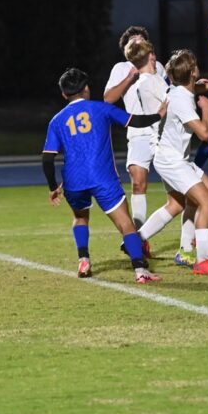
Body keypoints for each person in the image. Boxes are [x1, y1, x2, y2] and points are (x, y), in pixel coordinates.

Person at [42, 68, 166, 283]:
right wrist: (158, 115)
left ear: (64, 95)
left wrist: (54, 187)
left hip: (73, 181)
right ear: (86, 89)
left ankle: (84, 260)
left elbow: (47, 159)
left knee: (80, 217)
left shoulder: (57, 120)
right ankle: (139, 271)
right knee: (126, 224)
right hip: (103, 178)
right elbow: (135, 121)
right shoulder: (101, 109)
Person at [152, 49, 208, 275]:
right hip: (171, 161)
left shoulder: (180, 90)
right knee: (206, 203)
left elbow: (197, 88)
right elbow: (205, 135)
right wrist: (206, 108)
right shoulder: (182, 101)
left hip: (180, 159)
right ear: (193, 72)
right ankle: (203, 261)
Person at [104, 26, 166, 252]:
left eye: (142, 39)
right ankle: (141, 239)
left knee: (176, 189)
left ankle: (189, 241)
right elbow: (108, 99)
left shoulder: (157, 65)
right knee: (138, 181)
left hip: (161, 131)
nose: (138, 41)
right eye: (133, 40)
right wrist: (130, 78)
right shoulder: (121, 68)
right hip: (138, 133)